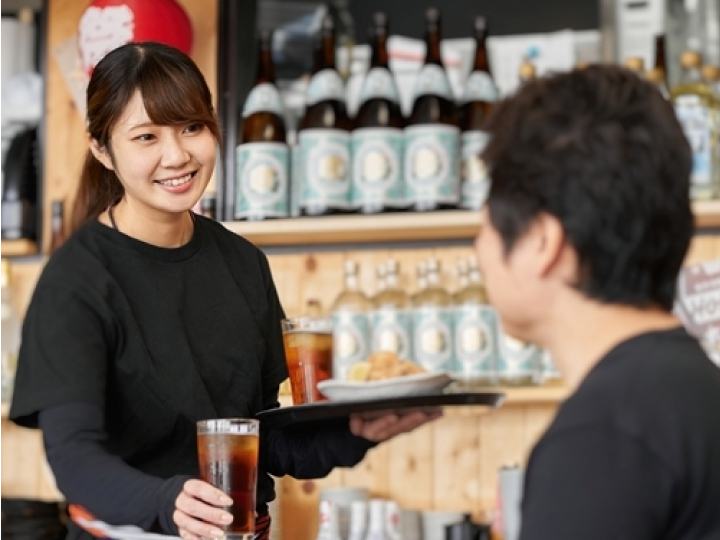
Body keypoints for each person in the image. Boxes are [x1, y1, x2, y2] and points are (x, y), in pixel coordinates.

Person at [8, 42, 440, 540]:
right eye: (146, 136)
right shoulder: (76, 279)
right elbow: (74, 459)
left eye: (192, 127)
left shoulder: (243, 263)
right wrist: (165, 502)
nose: (177, 155)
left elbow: (269, 439)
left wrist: (354, 432)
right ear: (101, 149)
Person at [475, 64, 720, 539]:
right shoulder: (696, 391)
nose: (479, 249)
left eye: (483, 226)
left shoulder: (600, 438)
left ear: (543, 242)